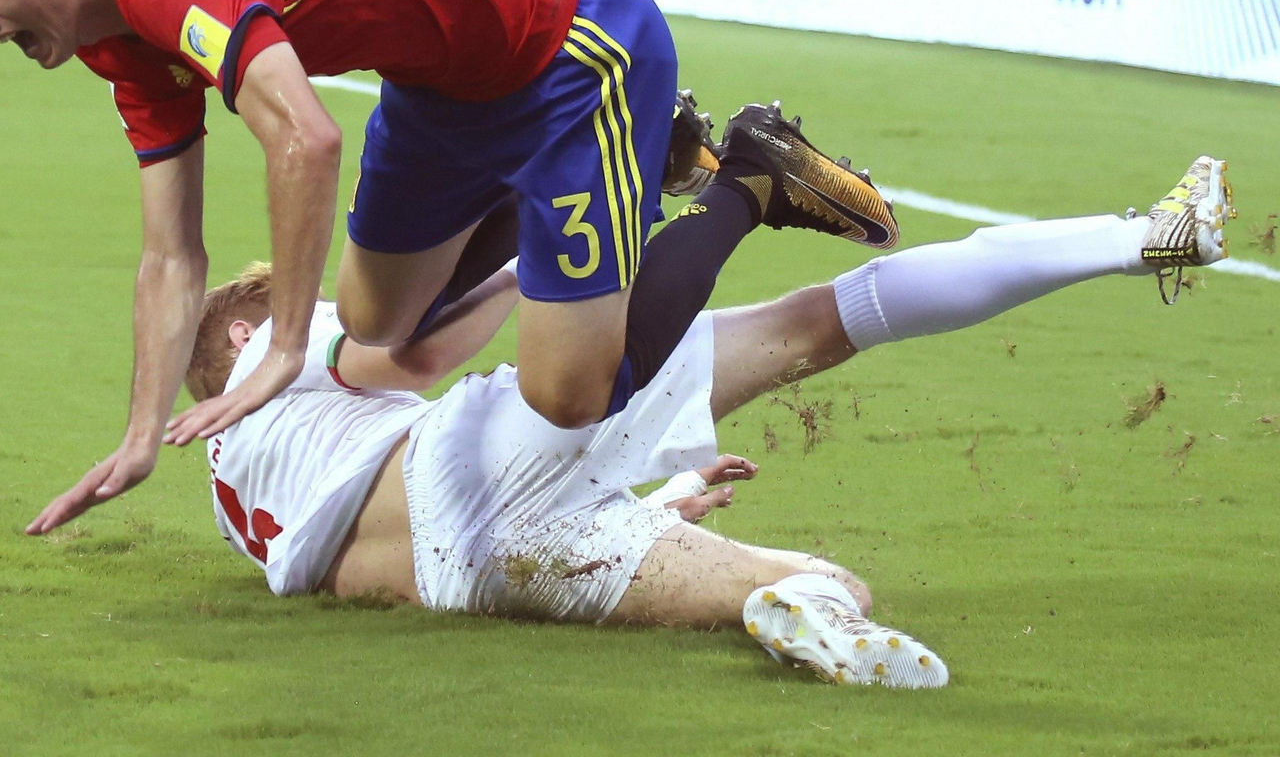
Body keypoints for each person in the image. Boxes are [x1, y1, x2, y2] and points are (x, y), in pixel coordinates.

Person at [0, 0, 897, 535]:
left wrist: (285, 345)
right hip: (436, 87)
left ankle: (748, 179)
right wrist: (142, 433)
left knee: (570, 395)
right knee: (374, 317)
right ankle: (620, 162)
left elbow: (305, 140)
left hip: (563, 44)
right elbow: (171, 256)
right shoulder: (122, 45)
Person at [181, 154, 1232, 687]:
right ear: (238, 342)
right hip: (469, 457)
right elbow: (398, 345)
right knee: (821, 321)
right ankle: (1143, 235)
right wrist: (530, 264)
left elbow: (427, 518)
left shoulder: (241, 499)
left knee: (824, 582)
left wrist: (668, 498)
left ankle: (809, 612)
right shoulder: (281, 355)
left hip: (492, 571)